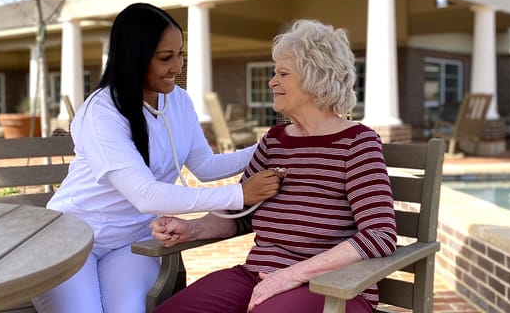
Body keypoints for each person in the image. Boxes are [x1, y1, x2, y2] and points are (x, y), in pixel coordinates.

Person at [32, 2, 281, 313]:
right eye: (166, 58)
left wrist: (270, 145)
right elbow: (146, 195)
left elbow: (203, 166)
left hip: (131, 243)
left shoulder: (178, 101)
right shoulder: (101, 112)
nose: (178, 67)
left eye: (181, 55)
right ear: (135, 58)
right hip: (72, 239)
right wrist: (238, 195)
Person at [150, 19, 397, 313]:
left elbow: (379, 235)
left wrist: (291, 275)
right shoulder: (275, 141)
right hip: (259, 276)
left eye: (282, 73)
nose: (272, 82)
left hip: (333, 288)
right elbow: (241, 214)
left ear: (315, 77)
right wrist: (190, 229)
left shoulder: (357, 143)